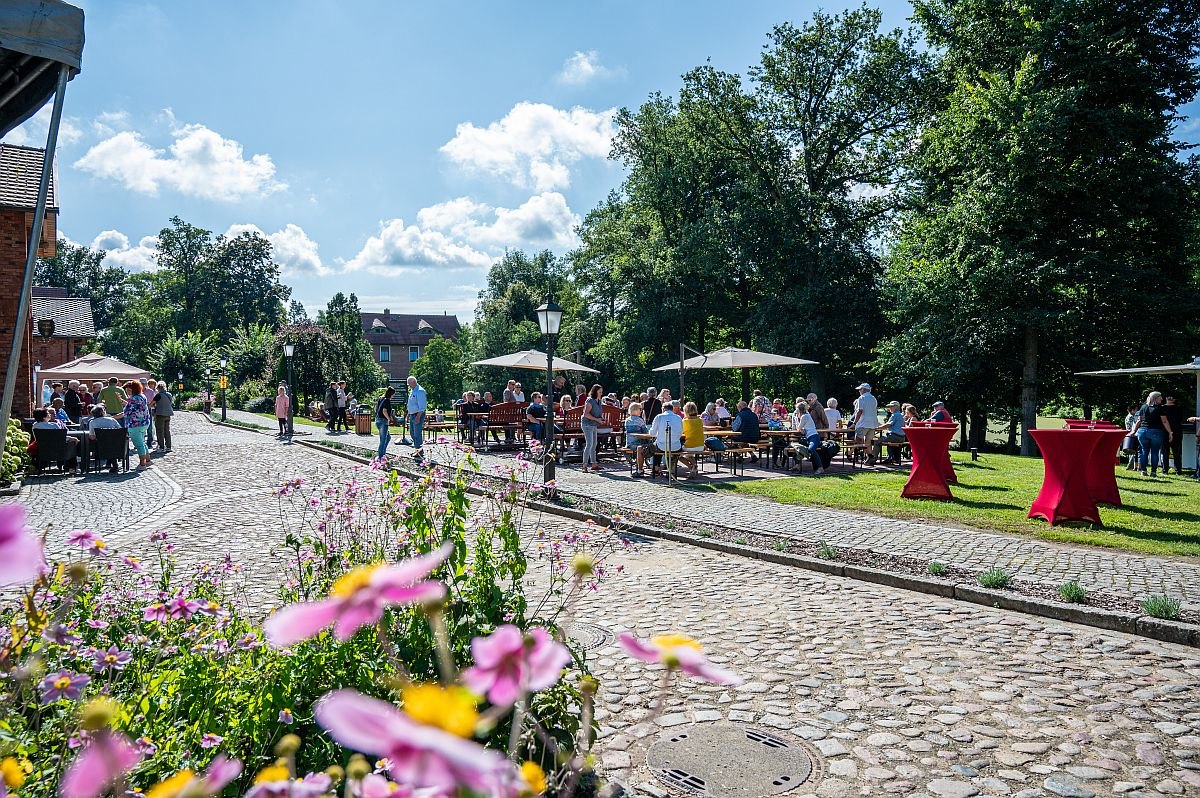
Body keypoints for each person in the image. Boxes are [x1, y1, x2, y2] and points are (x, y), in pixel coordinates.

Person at [1130, 390, 1173, 477]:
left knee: (1144, 451)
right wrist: (1170, 432)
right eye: (1160, 397)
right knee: (1154, 452)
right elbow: (1164, 421)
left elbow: (1139, 420)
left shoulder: (1144, 407)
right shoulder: (1160, 408)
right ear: (1155, 398)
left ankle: (1143, 471)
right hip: (1156, 432)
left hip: (1142, 432)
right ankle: (1153, 472)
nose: (1162, 398)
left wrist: (1134, 431)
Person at [32, 408, 79, 472]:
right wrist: (71, 438)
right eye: (48, 414)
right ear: (44, 417)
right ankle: (71, 467)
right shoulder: (53, 425)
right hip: (57, 450)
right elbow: (61, 437)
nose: (50, 415)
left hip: (42, 449)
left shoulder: (35, 426)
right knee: (72, 444)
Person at [119, 381, 153, 469]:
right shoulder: (142, 396)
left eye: (129, 390)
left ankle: (142, 464)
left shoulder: (133, 398)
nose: (127, 392)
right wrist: (122, 401)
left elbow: (126, 413)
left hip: (135, 424)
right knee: (142, 442)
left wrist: (113, 417)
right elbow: (135, 407)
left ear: (133, 390)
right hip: (144, 423)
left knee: (139, 444)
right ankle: (148, 461)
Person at [648, 399, 685, 476]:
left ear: (663, 409)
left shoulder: (659, 417)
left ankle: (656, 468)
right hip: (676, 446)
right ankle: (671, 468)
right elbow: (681, 432)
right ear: (672, 409)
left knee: (655, 447)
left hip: (662, 446)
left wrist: (659, 434)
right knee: (667, 447)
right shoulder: (678, 418)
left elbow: (652, 433)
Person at [87, 405, 122, 473]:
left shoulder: (92, 422)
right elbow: (120, 430)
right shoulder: (112, 420)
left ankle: (110, 464)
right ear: (103, 413)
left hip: (101, 446)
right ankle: (112, 464)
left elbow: (92, 436)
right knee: (110, 443)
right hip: (115, 445)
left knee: (104, 443)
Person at [852, 383, 879, 466]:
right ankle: (870, 457)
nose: (859, 391)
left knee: (858, 441)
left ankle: (854, 458)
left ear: (863, 390)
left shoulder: (861, 398)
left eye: (860, 389)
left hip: (863, 424)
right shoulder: (874, 398)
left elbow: (859, 411)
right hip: (873, 424)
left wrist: (854, 423)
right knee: (868, 442)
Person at [580, 384, 605, 473]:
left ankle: (594, 464)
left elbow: (597, 413)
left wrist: (600, 419)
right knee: (589, 444)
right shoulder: (590, 400)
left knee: (594, 444)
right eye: (599, 392)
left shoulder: (599, 401)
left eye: (601, 392)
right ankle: (584, 465)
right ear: (595, 392)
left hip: (594, 424)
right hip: (587, 424)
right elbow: (586, 414)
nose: (601, 394)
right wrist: (597, 419)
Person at [625, 401, 652, 477]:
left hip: (629, 444)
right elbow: (646, 432)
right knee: (651, 446)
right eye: (640, 409)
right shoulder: (639, 420)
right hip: (638, 444)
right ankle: (652, 466)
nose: (641, 411)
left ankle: (640, 467)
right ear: (636, 410)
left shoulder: (627, 420)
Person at [876, 400, 907, 465]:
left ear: (896, 407)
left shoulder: (895, 415)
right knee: (888, 440)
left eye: (891, 407)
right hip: (901, 437)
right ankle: (890, 458)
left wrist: (878, 428)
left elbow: (888, 425)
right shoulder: (901, 415)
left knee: (878, 441)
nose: (889, 408)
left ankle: (872, 458)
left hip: (895, 436)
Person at [680, 401, 705, 475]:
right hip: (701, 446)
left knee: (676, 455)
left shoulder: (685, 421)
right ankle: (694, 466)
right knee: (689, 454)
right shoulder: (700, 420)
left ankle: (690, 467)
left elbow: (681, 432)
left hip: (690, 446)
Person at [406, 376, 428, 456]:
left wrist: (418, 417)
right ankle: (417, 449)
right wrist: (408, 415)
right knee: (412, 433)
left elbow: (422, 406)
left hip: (418, 414)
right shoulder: (413, 390)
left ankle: (420, 451)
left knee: (417, 433)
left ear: (413, 382)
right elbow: (411, 404)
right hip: (412, 414)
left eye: (409, 383)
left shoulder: (420, 391)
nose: (408, 385)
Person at [1162, 396, 1183, 475]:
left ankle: (1165, 470)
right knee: (1177, 452)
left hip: (1165, 431)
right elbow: (1180, 419)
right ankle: (1178, 470)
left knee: (1165, 452)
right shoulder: (1179, 408)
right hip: (1177, 431)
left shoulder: (1163, 408)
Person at [375, 386, 396, 462]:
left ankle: (383, 453)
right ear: (391, 394)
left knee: (388, 437)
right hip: (383, 421)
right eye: (393, 395)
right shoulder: (387, 400)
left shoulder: (381, 398)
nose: (394, 396)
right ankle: (380, 457)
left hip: (378, 420)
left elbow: (376, 408)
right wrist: (389, 418)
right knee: (383, 440)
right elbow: (384, 411)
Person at [152, 381, 174, 452]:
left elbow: (151, 404)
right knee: (167, 431)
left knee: (160, 431)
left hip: (160, 414)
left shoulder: (158, 395)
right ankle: (168, 446)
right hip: (168, 414)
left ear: (158, 388)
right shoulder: (169, 394)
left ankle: (161, 447)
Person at [1123, 403, 1141, 471]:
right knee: (1134, 451)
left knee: (1132, 452)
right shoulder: (1131, 417)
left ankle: (1133, 466)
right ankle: (1132, 466)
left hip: (1130, 434)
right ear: (1133, 410)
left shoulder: (1128, 416)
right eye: (1136, 409)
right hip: (1132, 435)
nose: (1137, 411)